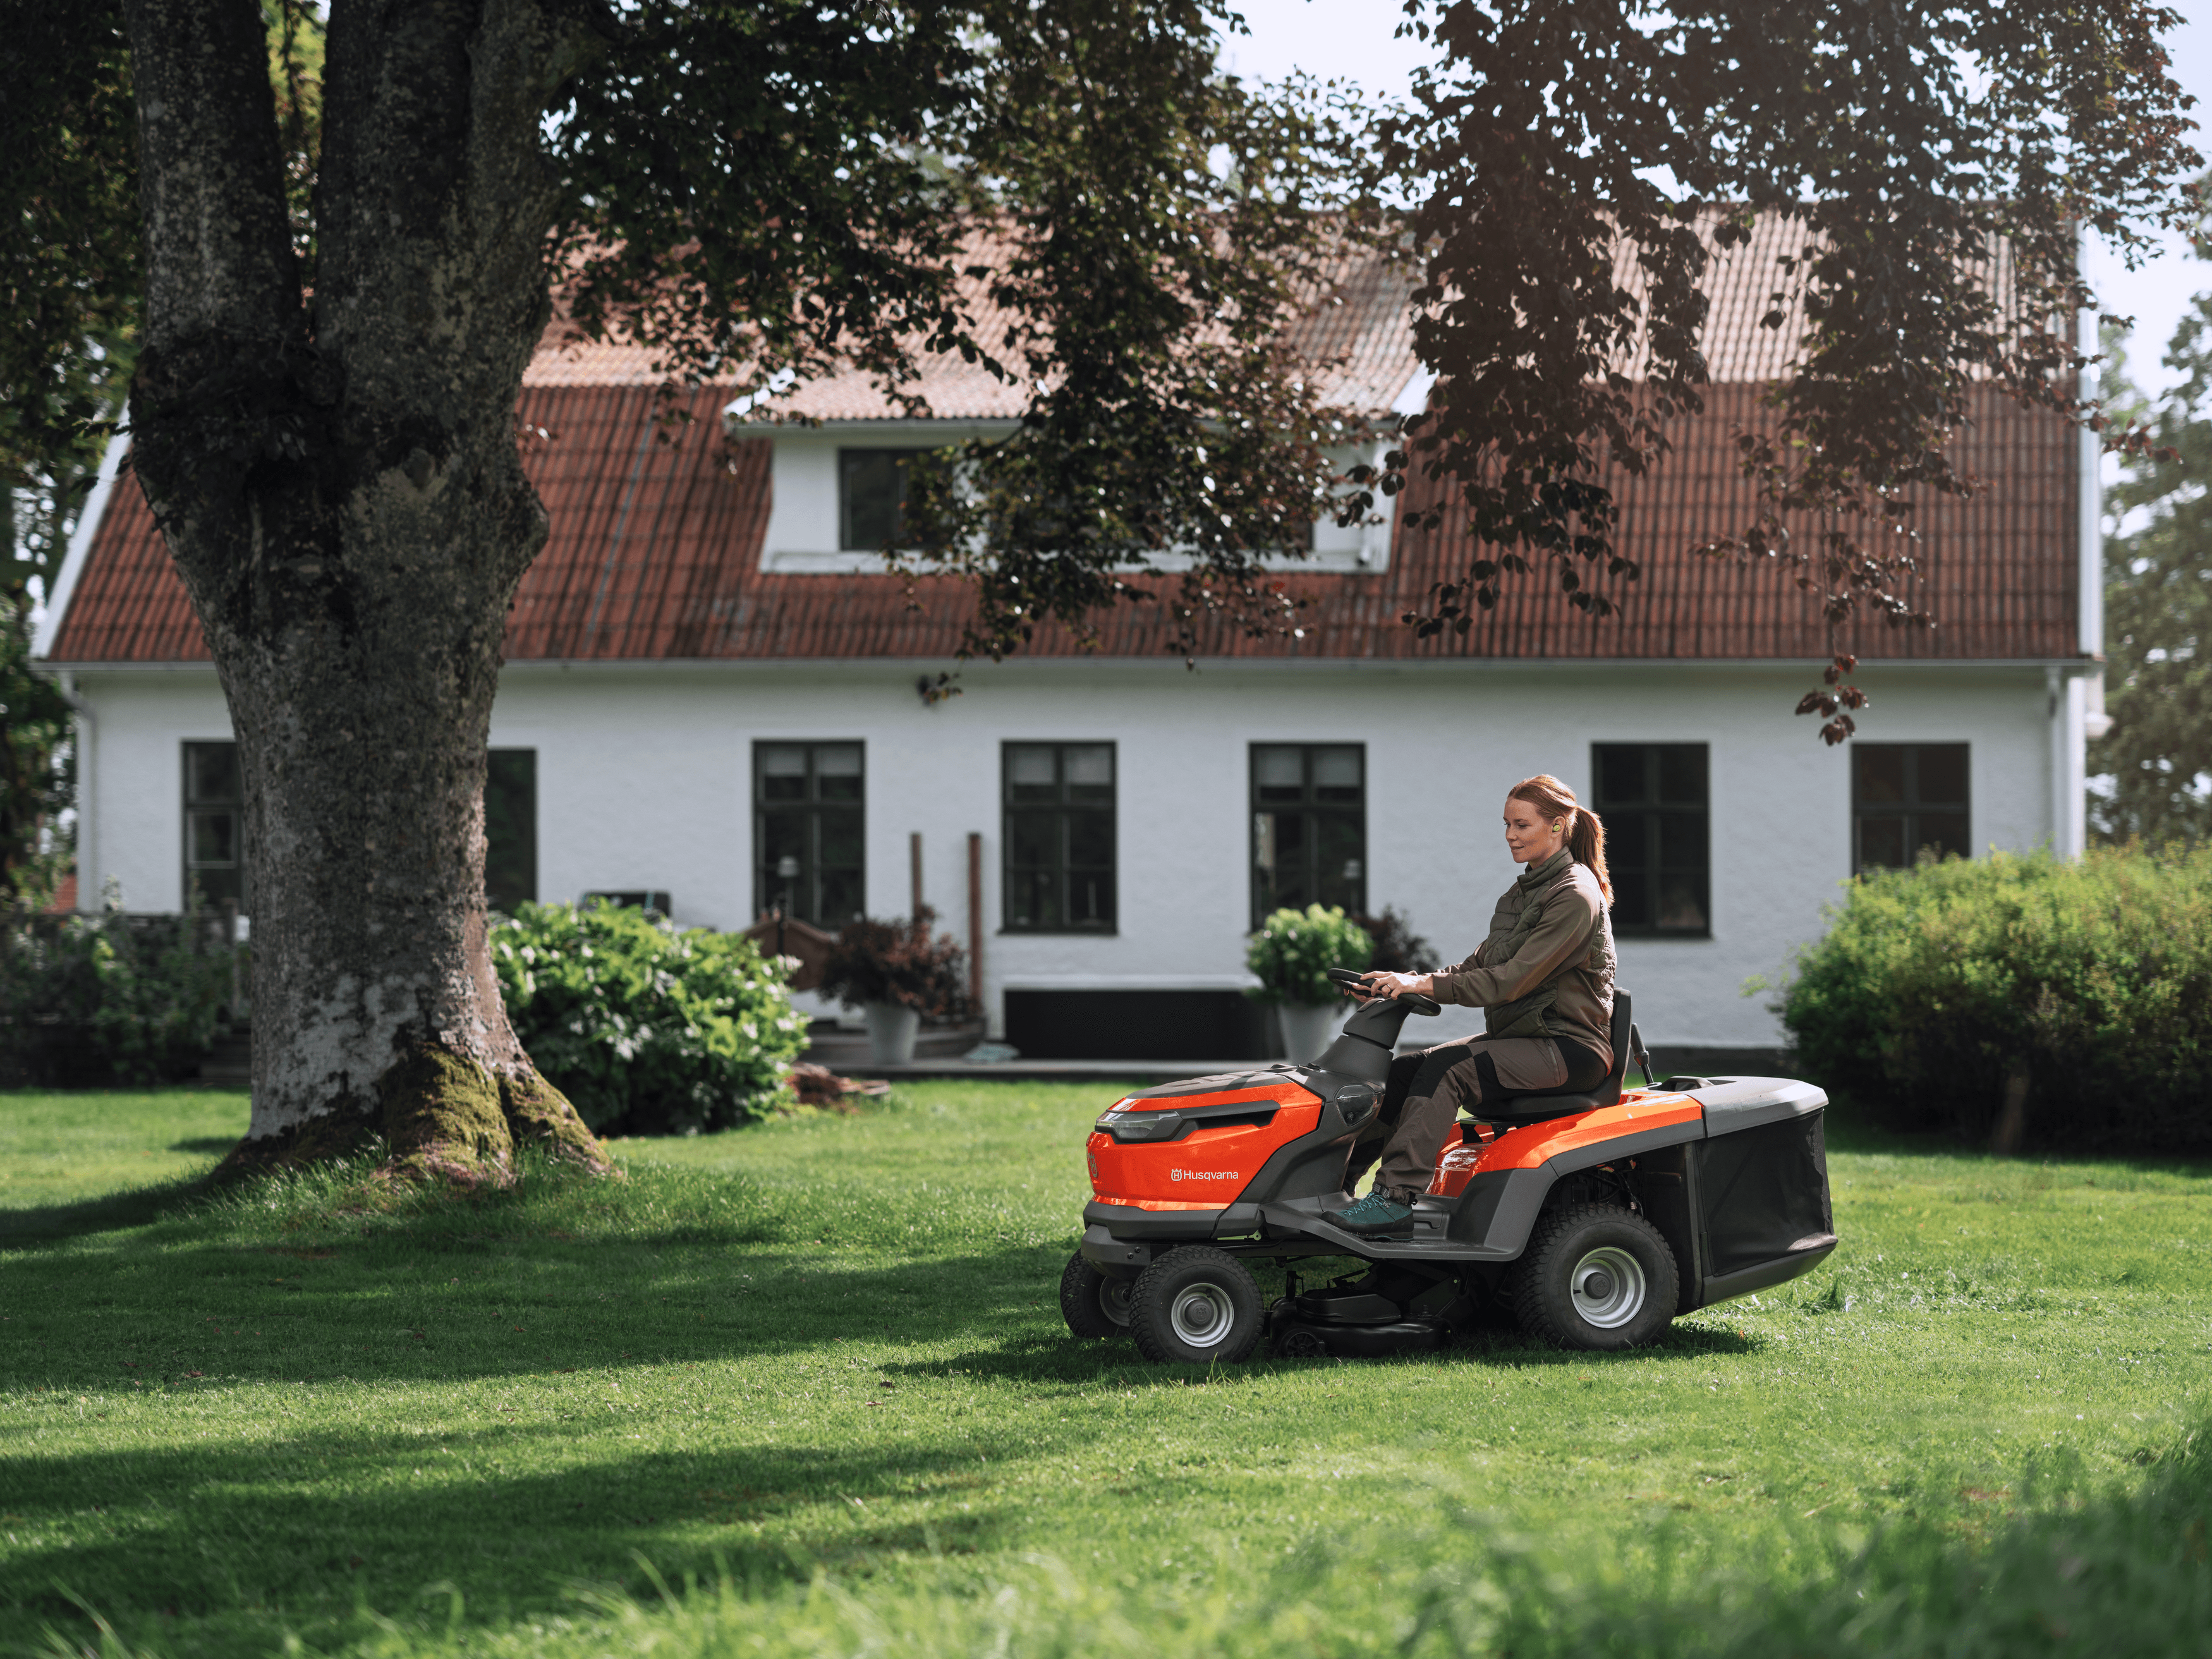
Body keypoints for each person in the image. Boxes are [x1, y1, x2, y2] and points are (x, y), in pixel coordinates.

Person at [1324, 774, 1617, 1235]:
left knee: (1448, 1070)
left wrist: (1422, 985)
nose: (1509, 835)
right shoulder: (1523, 893)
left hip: (1568, 1048)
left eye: (1521, 825)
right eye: (1506, 824)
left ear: (1558, 826)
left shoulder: (1574, 895)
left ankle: (1394, 1199)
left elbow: (1511, 982)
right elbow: (1476, 965)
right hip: (1526, 1037)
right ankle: (1334, 1186)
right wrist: (1397, 984)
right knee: (1404, 1072)